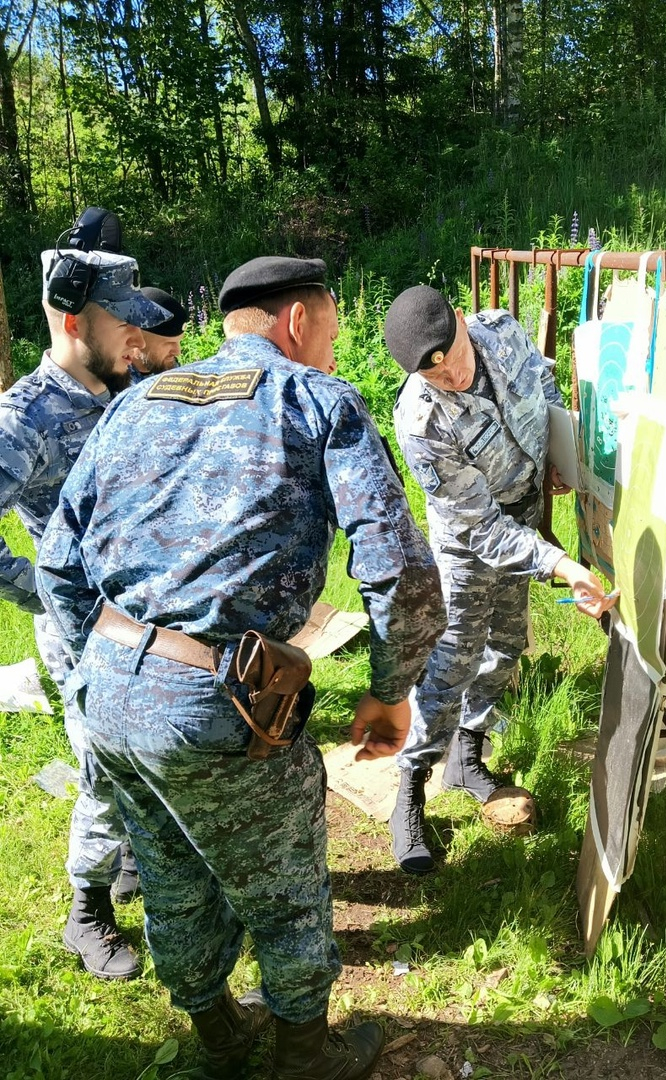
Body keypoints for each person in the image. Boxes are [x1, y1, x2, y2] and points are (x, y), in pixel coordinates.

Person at [36, 256, 446, 1080]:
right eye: (331, 331)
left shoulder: (137, 401)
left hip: (110, 693)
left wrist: (113, 668)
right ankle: (303, 1052)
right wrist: (389, 691)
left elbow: (55, 562)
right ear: (297, 322)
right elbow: (399, 569)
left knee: (168, 869)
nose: (333, 349)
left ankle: (219, 1035)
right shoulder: (314, 399)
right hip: (220, 702)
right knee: (284, 882)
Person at [383, 285, 618, 874]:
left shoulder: (502, 330)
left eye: (456, 358)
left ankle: (468, 755)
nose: (455, 378)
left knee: (506, 644)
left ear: (463, 323)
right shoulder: (419, 419)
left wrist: (556, 451)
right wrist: (561, 564)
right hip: (470, 541)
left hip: (524, 513)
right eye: (437, 376)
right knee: (452, 659)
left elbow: (540, 378)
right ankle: (409, 790)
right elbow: (482, 529)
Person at [0, 239, 170, 978]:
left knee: (151, 756)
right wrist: (46, 588)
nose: (137, 336)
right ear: (72, 322)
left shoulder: (126, 390)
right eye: (120, 321)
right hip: (85, 637)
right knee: (103, 772)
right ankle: (86, 912)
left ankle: (134, 859)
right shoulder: (24, 419)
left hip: (151, 621)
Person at [128, 287, 188, 381]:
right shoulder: (112, 381)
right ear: (137, 337)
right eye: (168, 343)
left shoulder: (172, 369)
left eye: (179, 341)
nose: (178, 352)